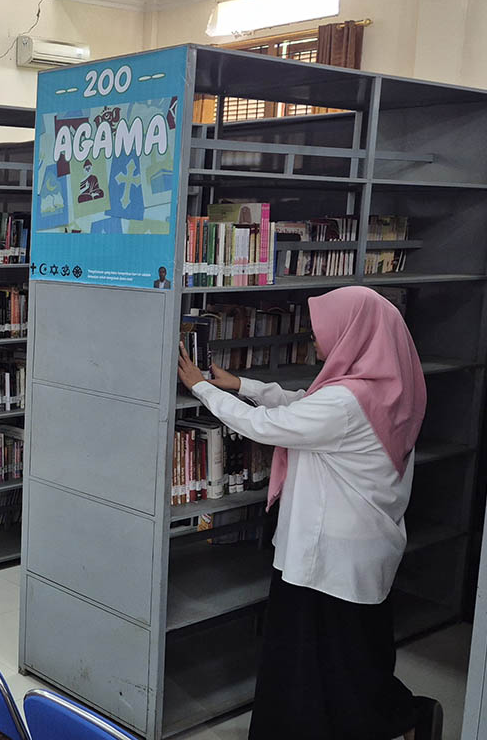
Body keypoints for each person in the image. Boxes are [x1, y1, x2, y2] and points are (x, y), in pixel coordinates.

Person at [176, 286, 441, 740]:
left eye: (323, 329)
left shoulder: (346, 402)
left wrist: (200, 388)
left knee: (314, 662)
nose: (315, 338)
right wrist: (243, 386)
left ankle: (390, 719)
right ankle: (401, 717)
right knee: (354, 655)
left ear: (353, 333)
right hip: (364, 550)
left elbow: (266, 426)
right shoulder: (386, 387)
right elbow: (306, 402)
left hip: (326, 556)